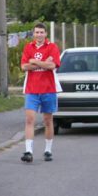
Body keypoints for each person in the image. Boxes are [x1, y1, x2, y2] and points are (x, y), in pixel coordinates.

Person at [20, 23, 61, 163]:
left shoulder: (52, 47)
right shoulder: (28, 47)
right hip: (31, 90)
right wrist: (44, 62)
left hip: (48, 89)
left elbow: (53, 65)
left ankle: (48, 150)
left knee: (48, 120)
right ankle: (28, 151)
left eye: (41, 32)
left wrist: (35, 61)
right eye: (36, 32)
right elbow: (24, 66)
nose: (39, 35)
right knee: (29, 119)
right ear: (33, 34)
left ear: (45, 34)